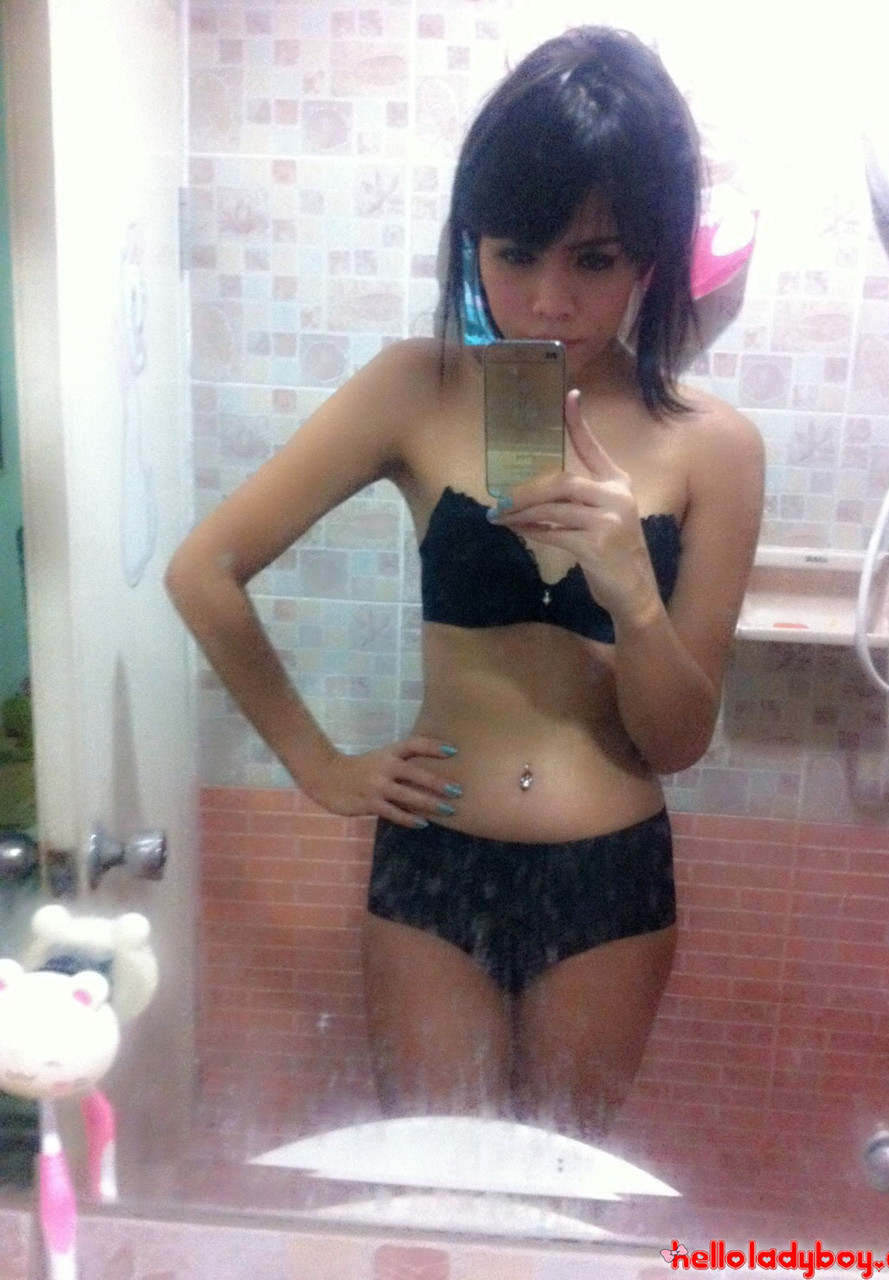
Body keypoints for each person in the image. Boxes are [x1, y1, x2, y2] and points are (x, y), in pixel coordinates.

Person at [165, 25, 765, 1143]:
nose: (547, 300)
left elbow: (677, 740)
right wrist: (320, 765)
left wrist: (633, 595)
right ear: (471, 243)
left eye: (592, 260)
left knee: (558, 1195)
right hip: (434, 864)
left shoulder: (715, 450)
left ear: (648, 256)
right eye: (514, 253)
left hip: (608, 879)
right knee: (433, 1181)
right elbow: (204, 570)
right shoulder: (416, 388)